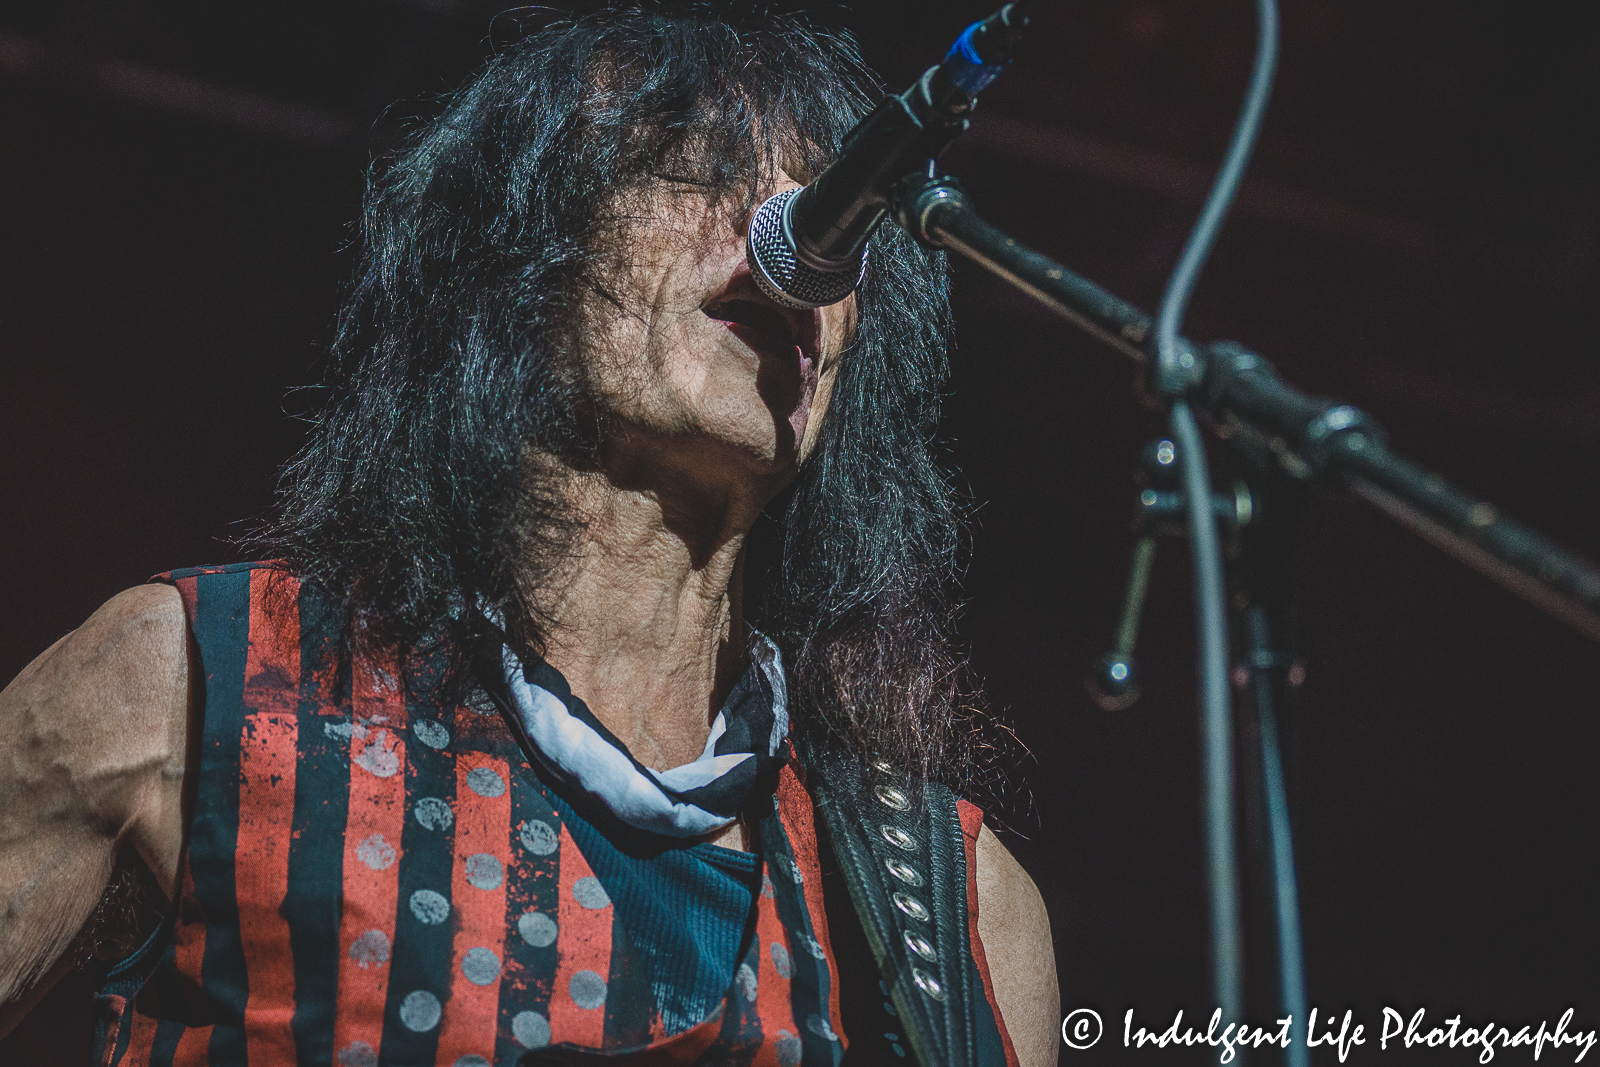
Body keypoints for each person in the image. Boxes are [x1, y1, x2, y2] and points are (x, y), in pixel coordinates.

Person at [0, 8, 1057, 1066]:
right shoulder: (186, 683)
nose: (795, 236)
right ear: (517, 260)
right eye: (693, 168)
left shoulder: (960, 909)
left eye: (840, 199)